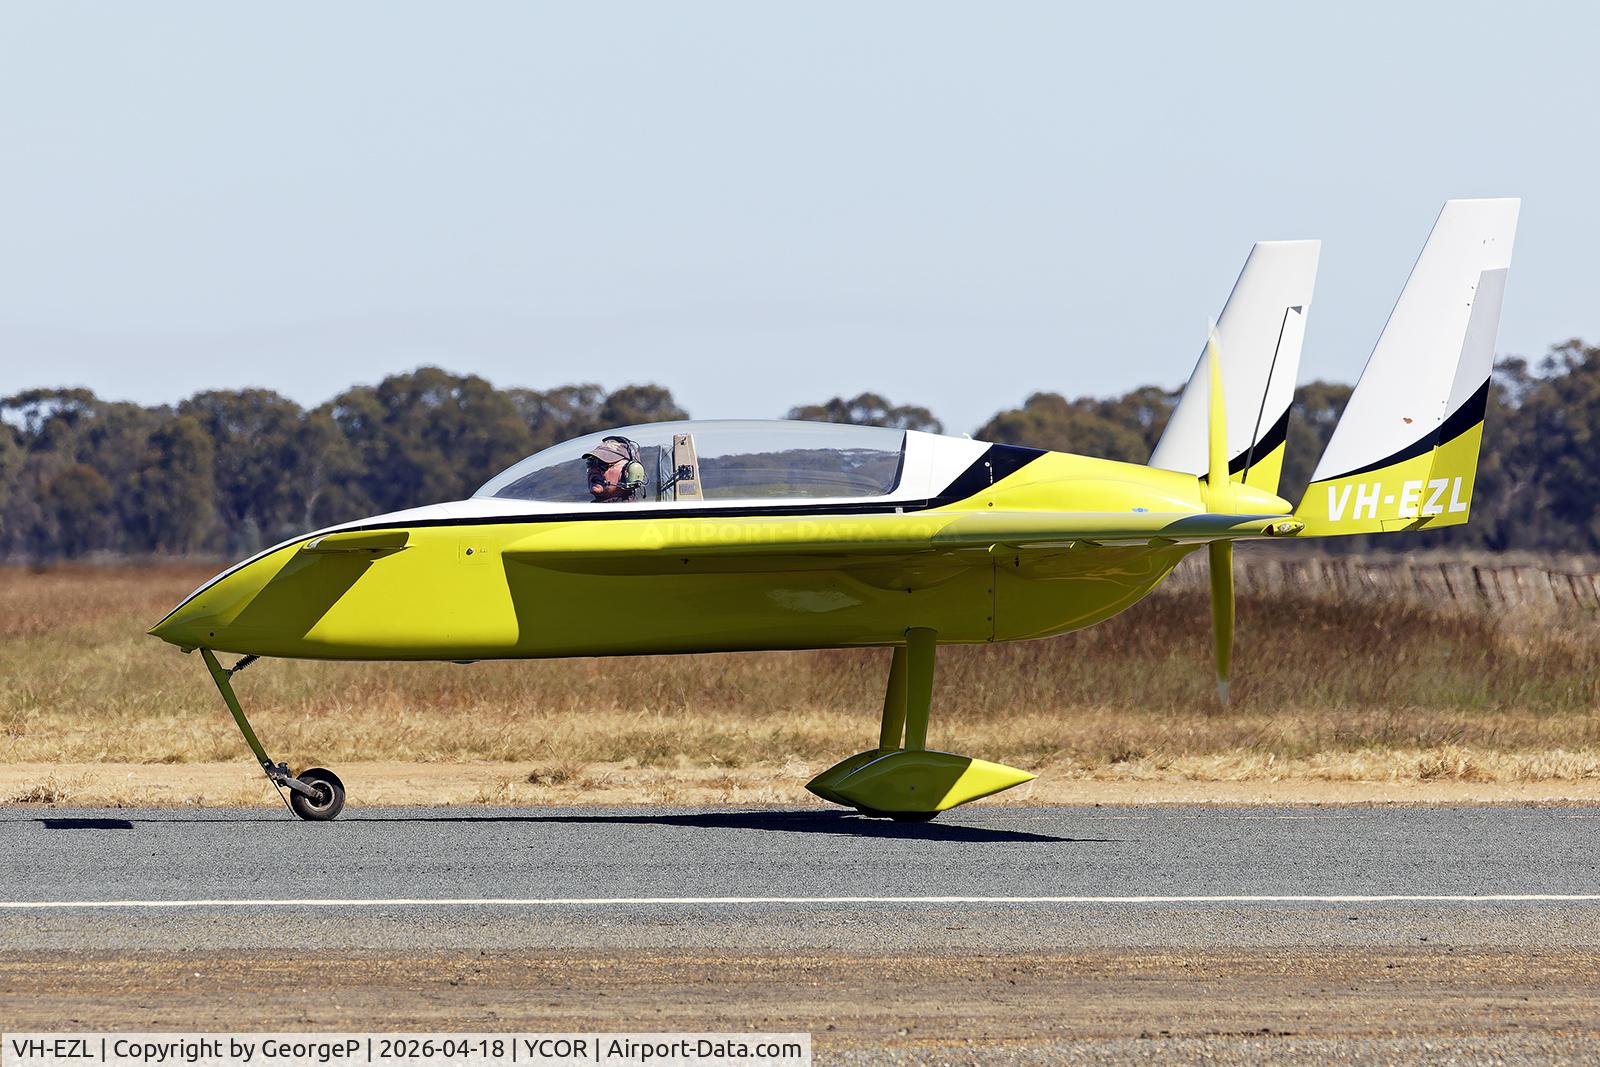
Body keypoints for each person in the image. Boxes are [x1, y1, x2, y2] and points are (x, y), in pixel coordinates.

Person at [583, 436, 646, 502]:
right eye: (590, 463)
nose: (593, 470)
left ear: (629, 472)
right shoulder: (586, 510)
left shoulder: (635, 511)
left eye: (603, 464)